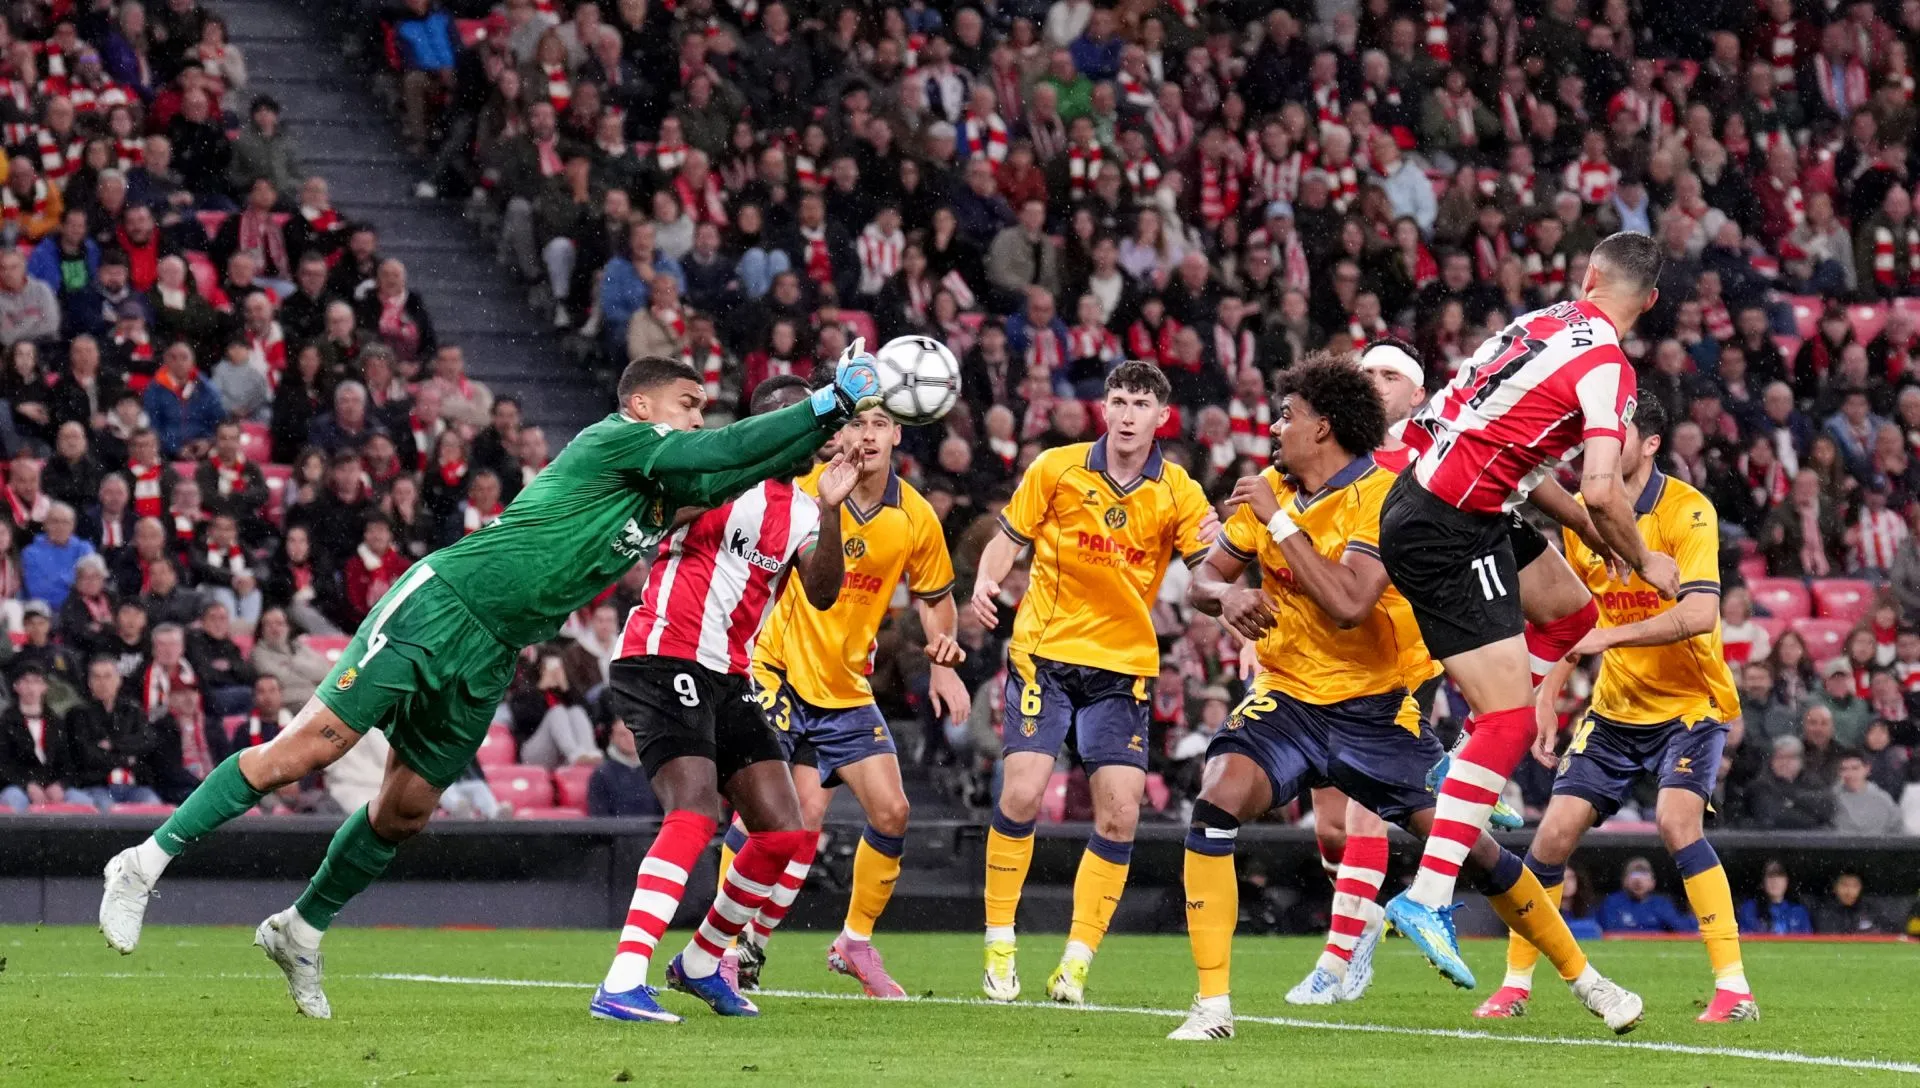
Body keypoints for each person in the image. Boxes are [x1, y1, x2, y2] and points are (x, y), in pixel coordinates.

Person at [98, 352, 884, 1020]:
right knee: (306, 750)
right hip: (443, 603)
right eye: (689, 405)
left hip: (494, 648)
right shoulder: (621, 441)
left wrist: (831, 440)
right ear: (644, 405)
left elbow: (750, 462)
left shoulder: (661, 495)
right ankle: (144, 861)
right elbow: (726, 452)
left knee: (404, 812)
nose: (697, 418)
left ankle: (300, 930)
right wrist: (829, 399)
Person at [1168, 355, 1641, 1042]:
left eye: (1287, 416)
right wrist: (1228, 595)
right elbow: (1202, 581)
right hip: (1291, 700)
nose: (1274, 427)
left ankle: (1588, 980)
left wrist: (1278, 527)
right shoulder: (1272, 487)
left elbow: (1351, 604)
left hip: (1378, 711)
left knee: (1473, 852)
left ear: (1323, 427)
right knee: (1216, 795)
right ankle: (1213, 1006)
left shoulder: (1384, 496)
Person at [1376, 231, 1680, 986]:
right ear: (1649, 301)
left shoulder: (1539, 324)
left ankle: (1464, 755)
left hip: (1449, 497)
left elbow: (1524, 462)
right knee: (1513, 721)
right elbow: (1604, 486)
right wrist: (1645, 558)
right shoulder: (1608, 368)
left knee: (1571, 613)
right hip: (1449, 527)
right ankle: (1429, 894)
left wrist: (1584, 530)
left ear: (1586, 276)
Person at [590, 375, 860, 1025]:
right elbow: (653, 521)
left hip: (729, 676)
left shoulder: (799, 509)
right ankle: (622, 980)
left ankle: (703, 961)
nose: (819, 439)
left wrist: (829, 508)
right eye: (805, 425)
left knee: (784, 832)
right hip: (661, 656)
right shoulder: (704, 473)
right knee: (695, 813)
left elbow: (822, 594)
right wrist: (740, 465)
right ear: (770, 425)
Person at [1481, 397, 1755, 1023]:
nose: (1597, 444)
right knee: (1549, 837)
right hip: (1616, 709)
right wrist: (1546, 697)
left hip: (1691, 703)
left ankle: (1734, 989)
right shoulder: (1587, 522)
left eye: (1614, 433)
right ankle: (1516, 985)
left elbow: (1698, 614)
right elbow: (1570, 623)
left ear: (1650, 443)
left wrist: (1607, 638)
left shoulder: (1687, 511)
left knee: (1676, 823)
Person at [1281, 340, 1522, 1009]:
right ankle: (1454, 815)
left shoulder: (1432, 459)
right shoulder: (1326, 461)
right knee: (1333, 827)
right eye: (1366, 373)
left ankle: (1339, 961)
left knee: (1362, 819)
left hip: (1402, 658)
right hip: (1325, 659)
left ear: (1418, 395)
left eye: (1390, 375)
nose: (1374, 382)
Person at [966, 361, 1215, 1006]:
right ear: (1105, 406)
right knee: (1021, 794)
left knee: (1121, 813)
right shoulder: (1057, 467)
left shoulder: (1180, 491)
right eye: (1118, 400)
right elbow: (1007, 538)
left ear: (1163, 417)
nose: (1127, 414)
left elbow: (1210, 571)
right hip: (1045, 654)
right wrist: (986, 580)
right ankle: (1000, 942)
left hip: (1124, 667)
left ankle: (1075, 964)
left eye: (1141, 404)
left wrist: (1236, 603)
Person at [724, 401, 971, 997]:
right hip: (775, 667)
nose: (867, 436)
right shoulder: (805, 488)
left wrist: (944, 658)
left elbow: (934, 598)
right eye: (856, 424)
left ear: (897, 434)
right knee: (766, 815)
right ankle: (728, 948)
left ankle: (853, 942)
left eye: (879, 425)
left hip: (844, 685)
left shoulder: (914, 515)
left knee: (892, 812)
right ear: (840, 433)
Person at [0, 662, 73, 811]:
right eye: (26, 681)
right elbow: (3, 766)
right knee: (14, 801)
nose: (31, 687)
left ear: (44, 687)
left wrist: (60, 785)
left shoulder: (56, 723)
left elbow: (68, 764)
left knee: (82, 801)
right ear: (16, 686)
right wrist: (27, 784)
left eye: (36, 681)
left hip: (51, 786)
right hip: (17, 787)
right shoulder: (6, 722)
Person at [1594, 858, 1698, 935]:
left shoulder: (1661, 903)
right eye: (1633, 875)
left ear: (1653, 882)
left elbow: (1683, 929)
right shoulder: (1612, 902)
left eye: (1644, 875)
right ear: (1624, 881)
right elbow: (1604, 930)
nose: (1638, 880)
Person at [587, 721, 660, 817]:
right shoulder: (602, 774)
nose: (629, 738)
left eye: (633, 733)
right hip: (616, 831)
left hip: (654, 831)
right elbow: (599, 819)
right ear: (612, 738)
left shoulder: (655, 771)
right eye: (622, 735)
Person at [1736, 859, 1813, 934]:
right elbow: (1746, 940)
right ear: (1762, 882)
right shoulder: (1749, 909)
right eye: (1770, 875)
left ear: (1787, 881)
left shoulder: (1799, 912)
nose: (1775, 880)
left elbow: (1807, 942)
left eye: (1779, 875)